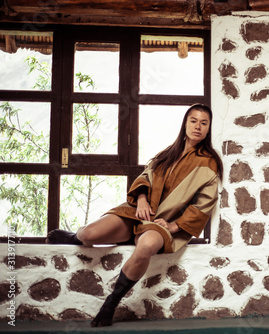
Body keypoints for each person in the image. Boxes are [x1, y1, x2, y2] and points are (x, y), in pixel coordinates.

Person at [47, 104, 223, 327]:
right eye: (193, 121)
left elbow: (205, 204)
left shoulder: (208, 162)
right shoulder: (167, 153)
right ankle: (76, 237)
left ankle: (111, 303)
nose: (198, 126)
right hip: (138, 214)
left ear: (208, 129)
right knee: (89, 233)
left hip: (160, 225)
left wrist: (173, 226)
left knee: (147, 245)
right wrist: (141, 199)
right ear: (185, 124)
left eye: (203, 123)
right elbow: (144, 178)